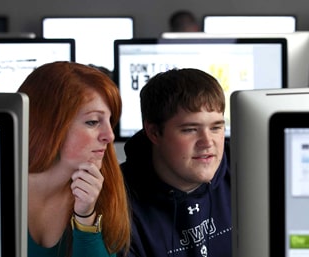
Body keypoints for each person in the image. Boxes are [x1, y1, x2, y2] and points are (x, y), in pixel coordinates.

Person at [18, 61, 131, 257]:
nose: (109, 136)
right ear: (49, 125)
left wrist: (85, 217)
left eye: (110, 121)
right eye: (93, 122)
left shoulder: (104, 189)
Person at [119, 68, 231, 256]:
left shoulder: (247, 174)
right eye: (190, 129)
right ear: (154, 132)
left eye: (216, 127)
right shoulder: (118, 200)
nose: (207, 142)